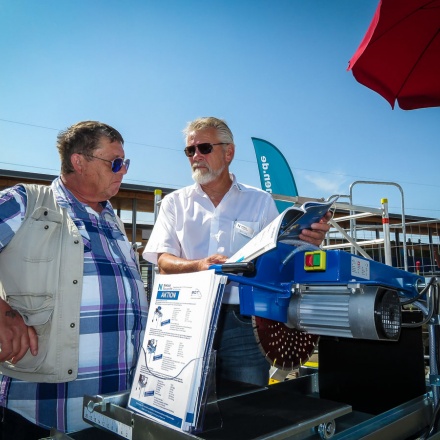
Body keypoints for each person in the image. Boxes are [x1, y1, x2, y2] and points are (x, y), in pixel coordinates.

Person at [143, 116, 330, 389]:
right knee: (182, 400)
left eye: (204, 148)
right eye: (189, 150)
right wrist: (199, 266)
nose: (195, 156)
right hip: (185, 319)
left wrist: (308, 243)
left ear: (228, 152)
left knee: (247, 407)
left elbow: (280, 260)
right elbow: (162, 261)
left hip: (245, 319)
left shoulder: (260, 201)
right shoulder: (174, 203)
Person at [0, 121, 149, 438]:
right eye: (115, 163)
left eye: (125, 163)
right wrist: (2, 313)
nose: (123, 171)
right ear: (78, 161)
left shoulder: (112, 221)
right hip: (43, 410)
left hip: (116, 412)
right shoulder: (28, 203)